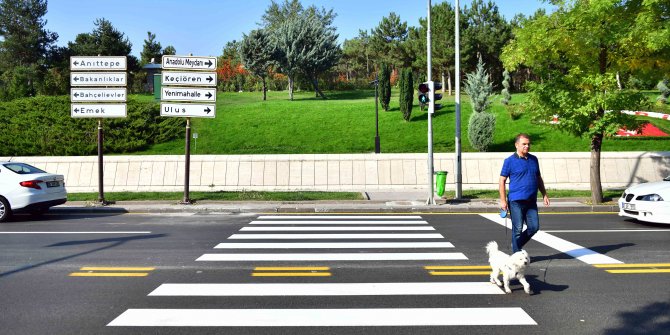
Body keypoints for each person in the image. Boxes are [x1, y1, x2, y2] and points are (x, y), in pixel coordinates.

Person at [499, 133, 550, 253]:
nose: (527, 146)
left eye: (528, 144)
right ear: (516, 145)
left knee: (534, 227)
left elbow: (538, 178)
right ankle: (517, 254)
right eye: (524, 144)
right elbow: (502, 180)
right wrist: (503, 200)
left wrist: (544, 194)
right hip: (516, 201)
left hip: (531, 200)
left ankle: (516, 245)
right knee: (517, 229)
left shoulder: (534, 159)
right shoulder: (509, 161)